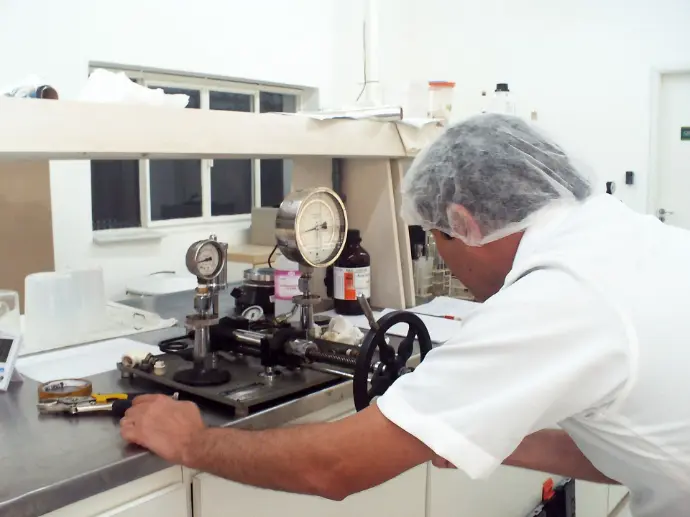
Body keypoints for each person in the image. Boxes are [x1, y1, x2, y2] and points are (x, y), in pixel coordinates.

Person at [121, 114, 690, 516]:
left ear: (463, 222)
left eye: (432, 236)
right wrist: (475, 430)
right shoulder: (632, 238)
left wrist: (194, 444)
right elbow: (638, 451)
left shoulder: (557, 296)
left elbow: (335, 468)